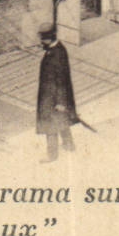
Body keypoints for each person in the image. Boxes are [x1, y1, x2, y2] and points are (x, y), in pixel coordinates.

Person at [35, 28, 78, 163]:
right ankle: (68, 144)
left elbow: (61, 79)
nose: (41, 42)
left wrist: (60, 101)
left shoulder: (57, 54)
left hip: (53, 97)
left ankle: (51, 155)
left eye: (43, 39)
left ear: (49, 38)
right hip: (52, 94)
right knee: (61, 119)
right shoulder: (57, 49)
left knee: (50, 125)